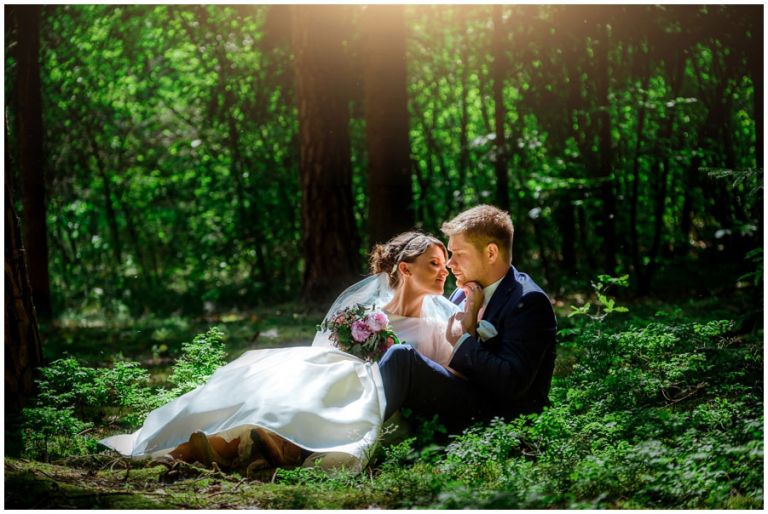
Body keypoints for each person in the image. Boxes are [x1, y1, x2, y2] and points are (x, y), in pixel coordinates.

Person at [100, 231, 460, 475]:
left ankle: (242, 449)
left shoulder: (438, 323)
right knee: (290, 374)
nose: (444, 271)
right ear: (405, 268)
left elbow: (435, 377)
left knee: (337, 389)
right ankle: (194, 448)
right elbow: (327, 349)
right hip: (337, 382)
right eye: (434, 263)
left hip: (377, 399)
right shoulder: (367, 312)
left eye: (445, 264)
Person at [378, 205, 557, 433]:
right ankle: (340, 433)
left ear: (491, 253)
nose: (450, 264)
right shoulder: (461, 293)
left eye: (458, 254)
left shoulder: (529, 301)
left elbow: (512, 384)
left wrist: (461, 341)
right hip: (463, 397)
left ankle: (355, 440)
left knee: (401, 357)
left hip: (499, 420)